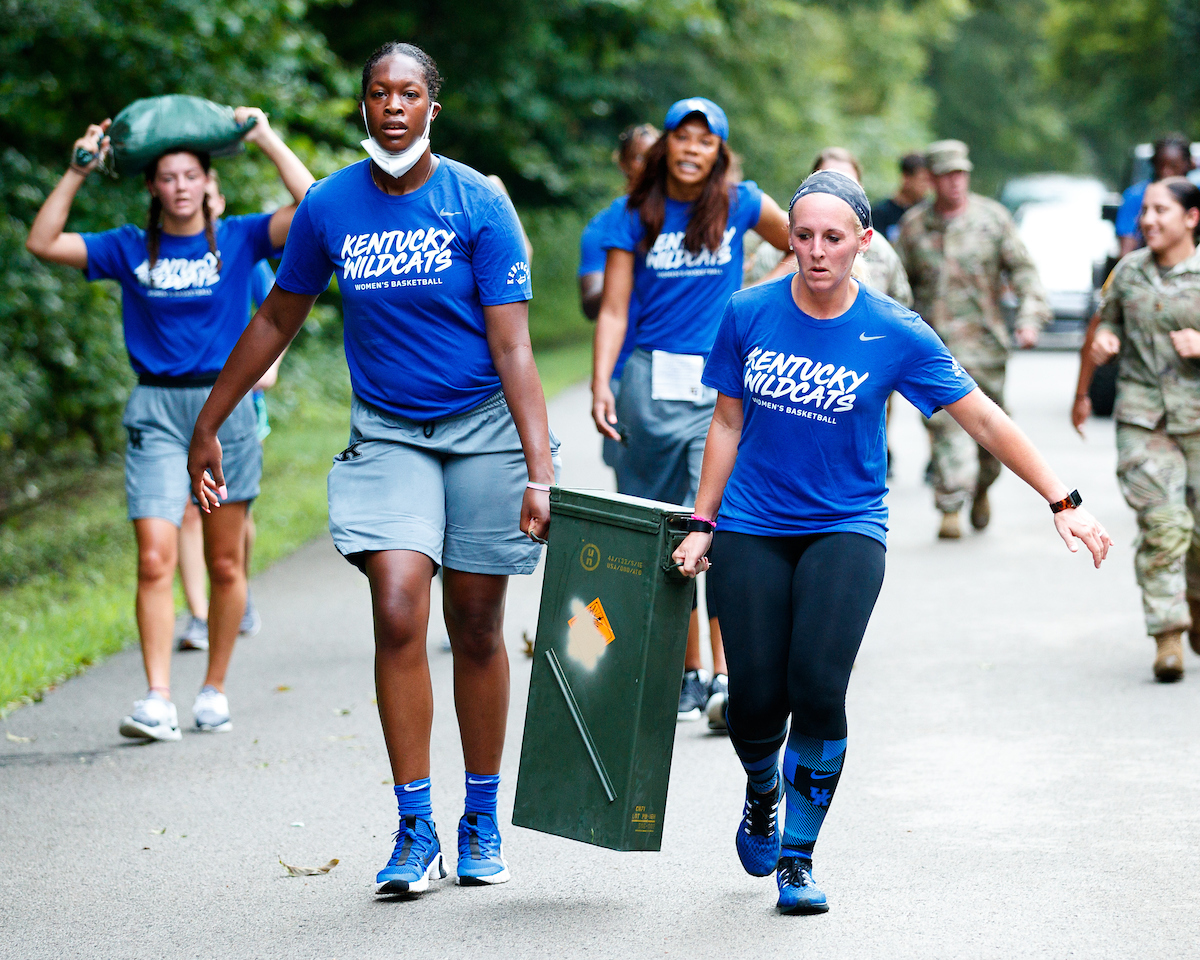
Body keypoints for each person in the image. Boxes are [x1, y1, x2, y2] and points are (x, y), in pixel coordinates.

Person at [671, 169, 1111, 915]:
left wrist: (1062, 499)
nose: (814, 251)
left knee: (815, 686)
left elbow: (983, 420)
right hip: (751, 523)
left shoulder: (895, 331)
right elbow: (727, 423)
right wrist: (702, 522)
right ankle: (760, 790)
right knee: (753, 703)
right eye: (803, 235)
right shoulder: (748, 312)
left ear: (863, 243)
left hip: (847, 526)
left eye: (833, 238)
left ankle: (798, 861)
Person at [186, 42, 558, 896]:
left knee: (474, 622)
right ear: (363, 107)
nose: (393, 106)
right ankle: (413, 824)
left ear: (435, 106)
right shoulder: (328, 206)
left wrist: (539, 470)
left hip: (484, 430)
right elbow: (279, 316)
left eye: (410, 93)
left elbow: (514, 345)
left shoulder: (478, 202)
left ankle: (480, 817)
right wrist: (211, 419)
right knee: (398, 605)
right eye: (379, 93)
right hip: (388, 433)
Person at [24, 106, 312, 741]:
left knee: (226, 564)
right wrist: (77, 171)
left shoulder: (240, 237)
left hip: (225, 410)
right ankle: (157, 697)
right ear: (153, 187)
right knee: (155, 558)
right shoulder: (128, 246)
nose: (180, 185)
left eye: (190, 175)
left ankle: (214, 688)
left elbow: (314, 206)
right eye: (168, 177)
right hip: (155, 410)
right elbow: (42, 243)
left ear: (208, 181)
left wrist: (263, 137)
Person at [591, 97, 791, 726]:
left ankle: (727, 678)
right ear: (666, 146)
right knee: (664, 528)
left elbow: (801, 244)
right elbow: (615, 309)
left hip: (721, 381)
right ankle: (683, 675)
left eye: (707, 141)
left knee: (722, 526)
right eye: (683, 137)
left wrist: (760, 303)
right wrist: (602, 380)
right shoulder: (635, 214)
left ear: (719, 153)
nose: (693, 149)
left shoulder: (740, 201)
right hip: (650, 380)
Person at [896, 139, 1051, 540]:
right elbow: (896, 291)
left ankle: (981, 487)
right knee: (945, 428)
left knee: (991, 438)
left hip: (986, 348)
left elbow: (1024, 273)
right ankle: (950, 505)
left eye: (961, 174)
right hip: (934, 351)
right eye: (946, 175)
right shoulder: (914, 227)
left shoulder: (993, 219)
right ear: (931, 178)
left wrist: (1031, 319)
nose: (955, 183)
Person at [1083, 178, 1200, 682]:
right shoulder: (1128, 272)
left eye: (1160, 210)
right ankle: (1168, 634)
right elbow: (1103, 323)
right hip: (1143, 420)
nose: (1147, 220)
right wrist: (1103, 346)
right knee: (1165, 524)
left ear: (1191, 218)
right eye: (1144, 210)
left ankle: (1193, 595)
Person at [177, 174, 285, 650]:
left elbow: (277, 315)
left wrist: (270, 369)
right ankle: (200, 615)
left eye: (209, 195)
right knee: (188, 509)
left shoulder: (247, 259)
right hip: (182, 402)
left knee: (230, 509)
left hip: (242, 405)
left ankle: (236, 587)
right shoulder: (172, 262)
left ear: (218, 201)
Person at [578, 123, 658, 474]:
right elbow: (591, 304)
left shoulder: (687, 219)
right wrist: (626, 264)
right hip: (624, 370)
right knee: (632, 481)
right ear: (623, 164)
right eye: (641, 157)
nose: (651, 164)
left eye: (658, 156)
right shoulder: (604, 226)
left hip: (683, 370)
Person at [1115, 134, 1194, 257]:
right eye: (1145, 210)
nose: (1166, 172)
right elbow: (1126, 250)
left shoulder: (1195, 196)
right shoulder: (1136, 196)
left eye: (1161, 210)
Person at [871, 152, 931, 243]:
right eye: (923, 180)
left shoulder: (929, 213)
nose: (927, 186)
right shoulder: (880, 213)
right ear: (906, 178)